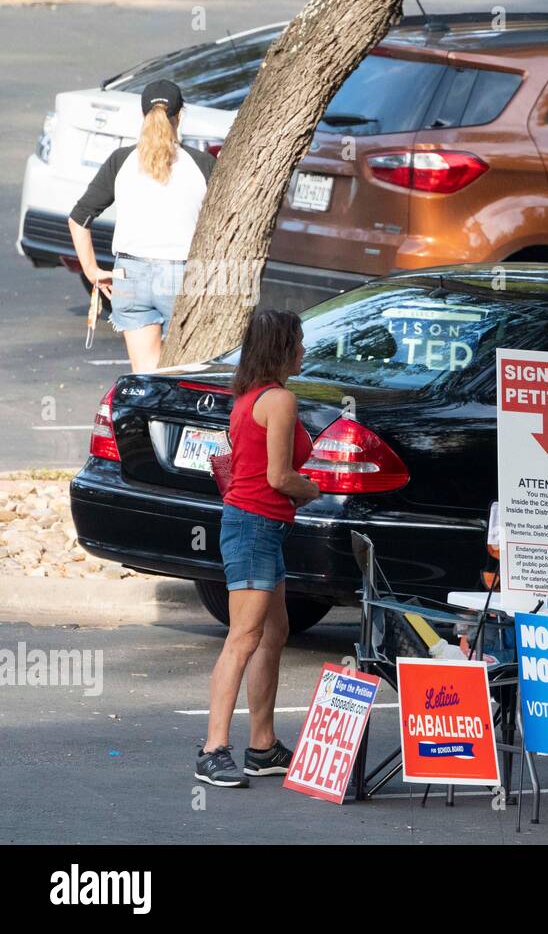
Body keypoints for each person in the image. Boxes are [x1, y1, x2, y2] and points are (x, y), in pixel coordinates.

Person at [196, 310, 320, 788]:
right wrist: (313, 489)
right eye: (299, 342)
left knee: (274, 632)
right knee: (244, 637)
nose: (304, 350)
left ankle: (263, 746)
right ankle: (213, 749)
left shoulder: (248, 397)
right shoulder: (280, 400)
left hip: (258, 526)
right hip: (254, 526)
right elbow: (278, 478)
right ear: (282, 348)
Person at [68, 79, 214, 372]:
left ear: (142, 116)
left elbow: (79, 218)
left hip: (129, 274)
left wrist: (92, 271)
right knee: (185, 374)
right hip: (182, 274)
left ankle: (148, 420)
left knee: (146, 375)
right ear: (180, 115)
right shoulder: (201, 164)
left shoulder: (121, 161)